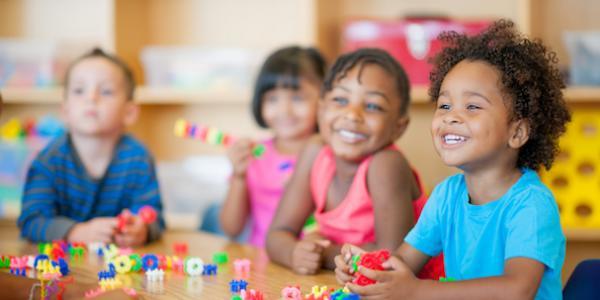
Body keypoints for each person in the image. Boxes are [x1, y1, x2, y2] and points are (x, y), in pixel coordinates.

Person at [335, 20, 570, 299]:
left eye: (472, 106)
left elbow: (516, 290)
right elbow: (404, 263)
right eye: (444, 105)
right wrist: (368, 268)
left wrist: (417, 290)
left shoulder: (531, 204)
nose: (450, 116)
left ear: (517, 132)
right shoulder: (447, 195)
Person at [267, 48, 443, 278]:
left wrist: (322, 253)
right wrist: (294, 253)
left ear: (398, 126)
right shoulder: (314, 152)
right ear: (321, 110)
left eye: (372, 106)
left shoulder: (386, 164)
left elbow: (390, 258)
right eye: (340, 100)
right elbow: (277, 235)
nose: (352, 115)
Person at [17, 48, 164, 247]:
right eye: (79, 90)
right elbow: (31, 221)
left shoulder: (138, 158)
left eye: (105, 91)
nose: (91, 98)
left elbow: (154, 216)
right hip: (59, 268)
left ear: (129, 112)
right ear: (65, 110)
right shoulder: (48, 161)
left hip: (119, 268)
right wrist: (76, 232)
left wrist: (142, 229)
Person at [217, 46, 327, 247]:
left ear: (324, 100)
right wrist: (239, 176)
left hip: (311, 263)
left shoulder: (328, 156)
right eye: (273, 99)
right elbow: (231, 228)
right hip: (262, 266)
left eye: (297, 98)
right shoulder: (254, 155)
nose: (284, 110)